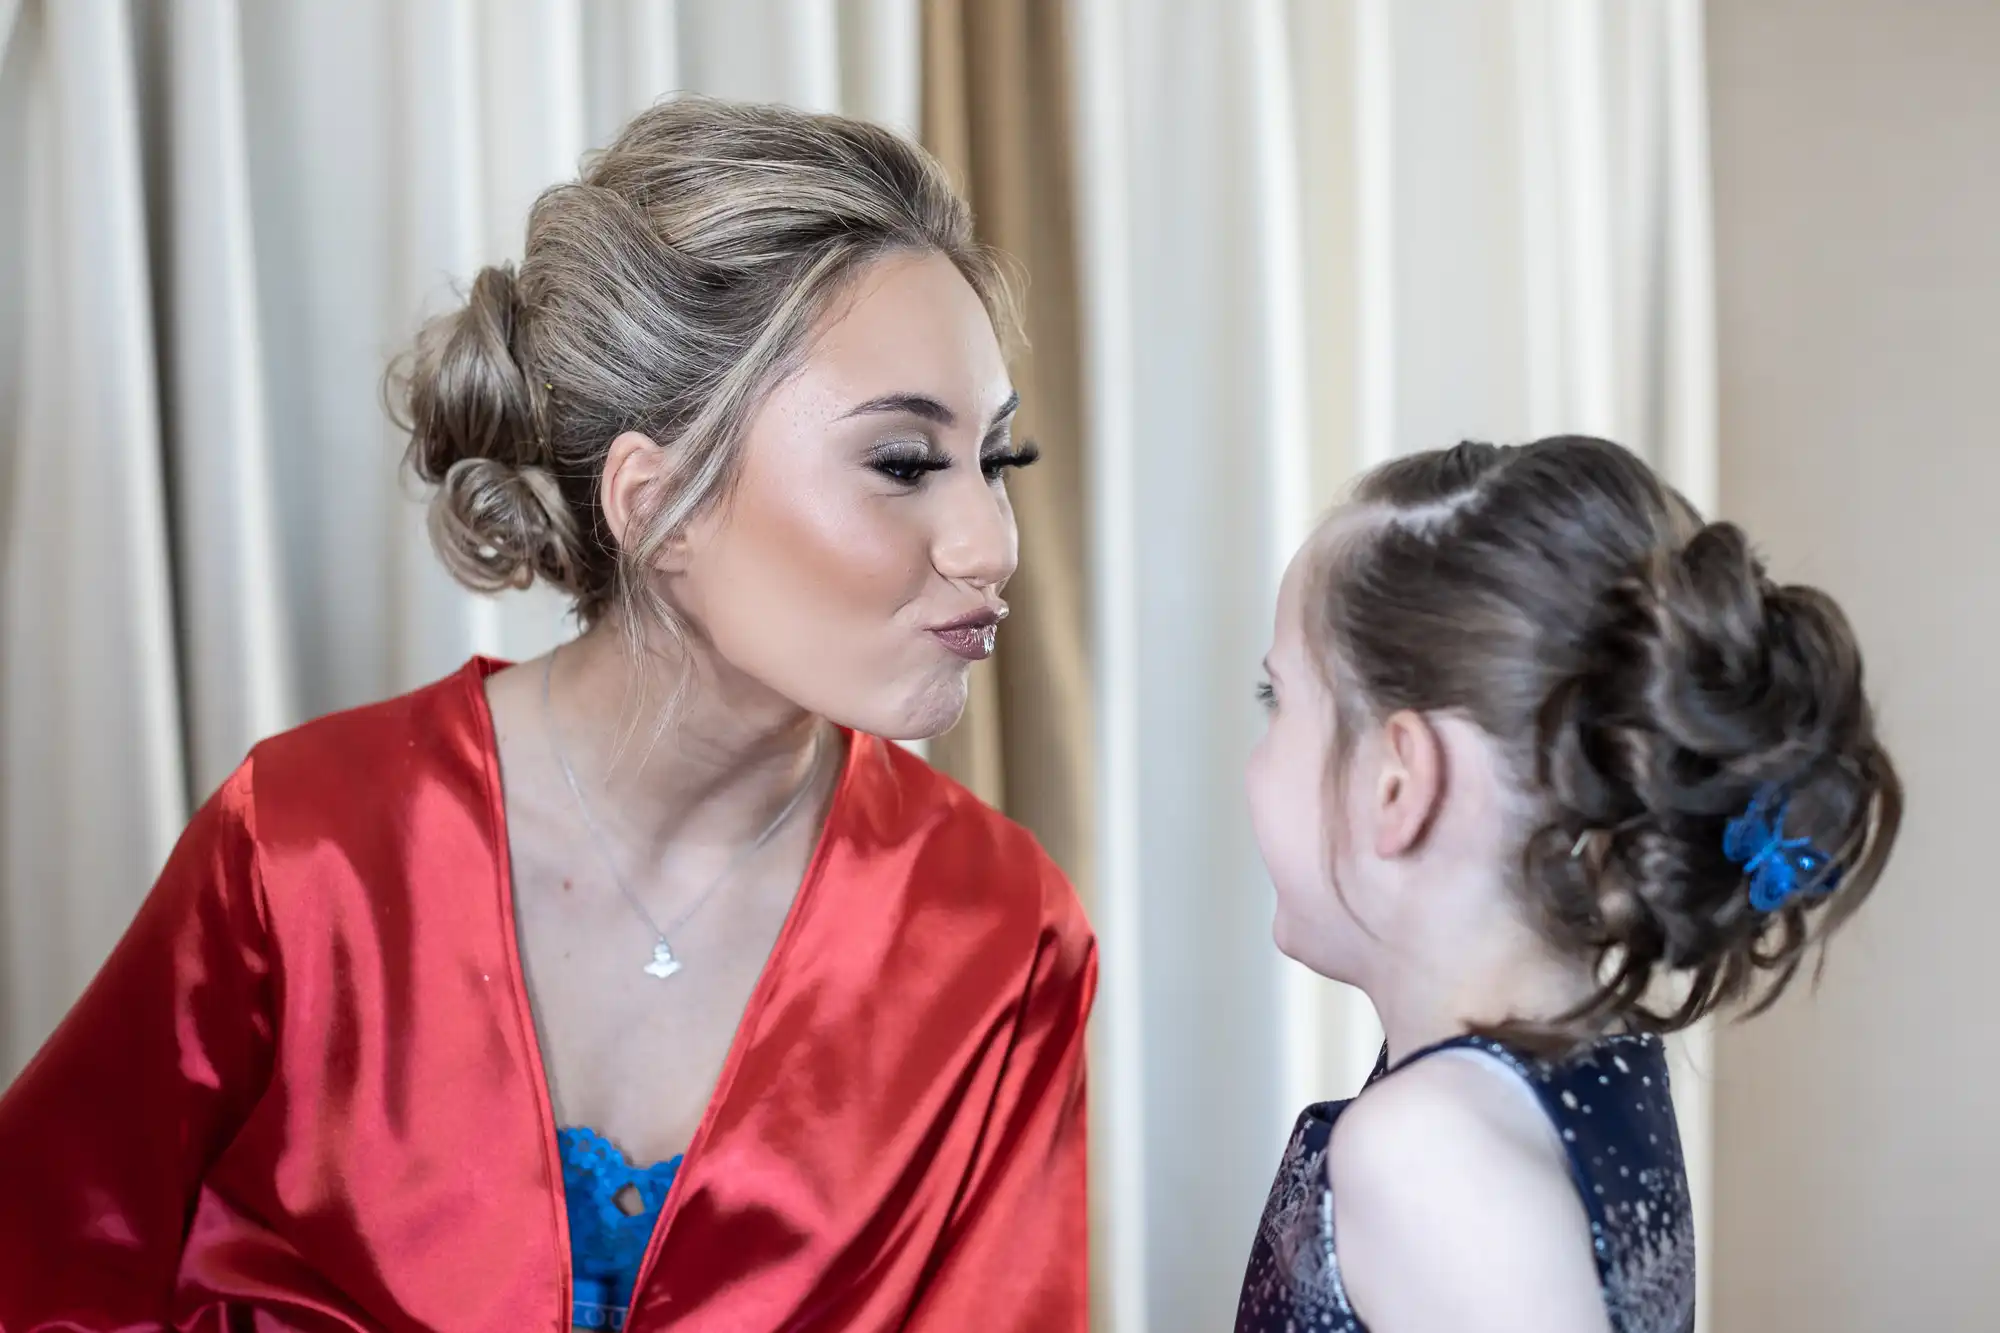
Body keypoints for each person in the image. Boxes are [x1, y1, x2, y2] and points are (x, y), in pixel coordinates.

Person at [0, 97, 1095, 1333]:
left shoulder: (1001, 930)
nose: (988, 542)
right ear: (655, 499)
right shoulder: (304, 851)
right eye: (902, 463)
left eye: (997, 461)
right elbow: (42, 1267)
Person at [1235, 438, 1900, 1333]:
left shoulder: (1429, 1154)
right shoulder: (1596, 1046)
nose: (1256, 756)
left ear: (1398, 780)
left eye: (1275, 698)